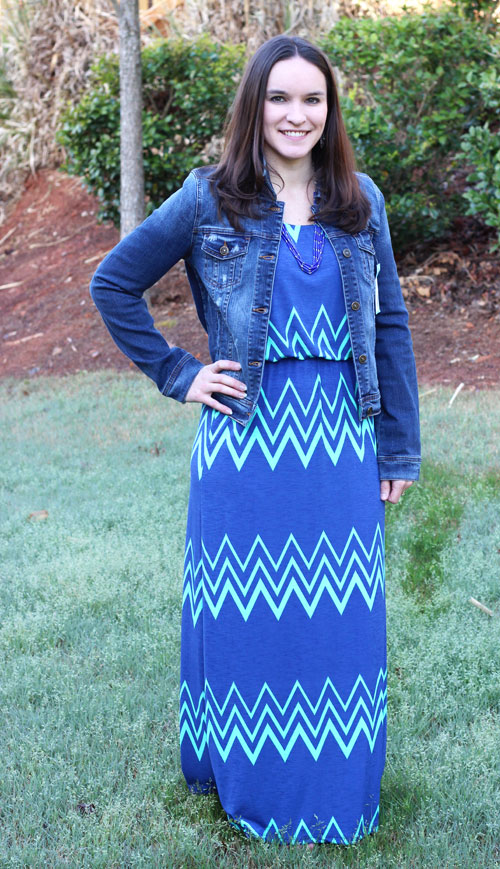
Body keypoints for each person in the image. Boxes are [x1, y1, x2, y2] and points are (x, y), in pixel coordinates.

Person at [90, 34, 420, 845]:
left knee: (339, 618)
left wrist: (398, 447)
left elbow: (388, 324)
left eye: (312, 99)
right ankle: (247, 773)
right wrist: (180, 372)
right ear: (253, 106)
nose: (295, 114)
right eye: (279, 98)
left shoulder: (360, 200)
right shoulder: (211, 197)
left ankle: (335, 782)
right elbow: (114, 282)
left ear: (329, 110)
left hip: (338, 439)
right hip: (248, 441)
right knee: (247, 615)